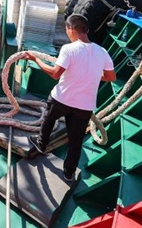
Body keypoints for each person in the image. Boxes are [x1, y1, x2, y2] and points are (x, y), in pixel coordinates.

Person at [26, 15, 116, 182]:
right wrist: (93, 75)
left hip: (62, 99)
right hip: (85, 107)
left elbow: (55, 74)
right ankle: (69, 172)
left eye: (67, 30)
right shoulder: (102, 52)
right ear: (86, 30)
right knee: (75, 141)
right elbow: (111, 77)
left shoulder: (69, 49)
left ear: (71, 29)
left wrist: (36, 59)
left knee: (49, 119)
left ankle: (41, 144)